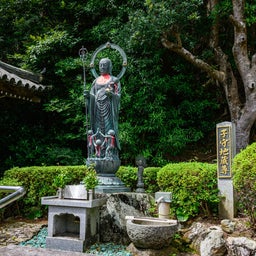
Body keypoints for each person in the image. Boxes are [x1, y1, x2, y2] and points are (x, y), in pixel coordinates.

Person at [89, 58, 121, 158]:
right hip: (97, 109)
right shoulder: (95, 81)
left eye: (105, 65)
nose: (102, 67)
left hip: (109, 108)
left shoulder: (114, 80)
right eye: (100, 65)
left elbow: (118, 95)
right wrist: (88, 96)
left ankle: (110, 152)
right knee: (97, 129)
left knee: (109, 129)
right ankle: (99, 151)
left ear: (110, 66)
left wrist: (112, 95)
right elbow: (92, 94)